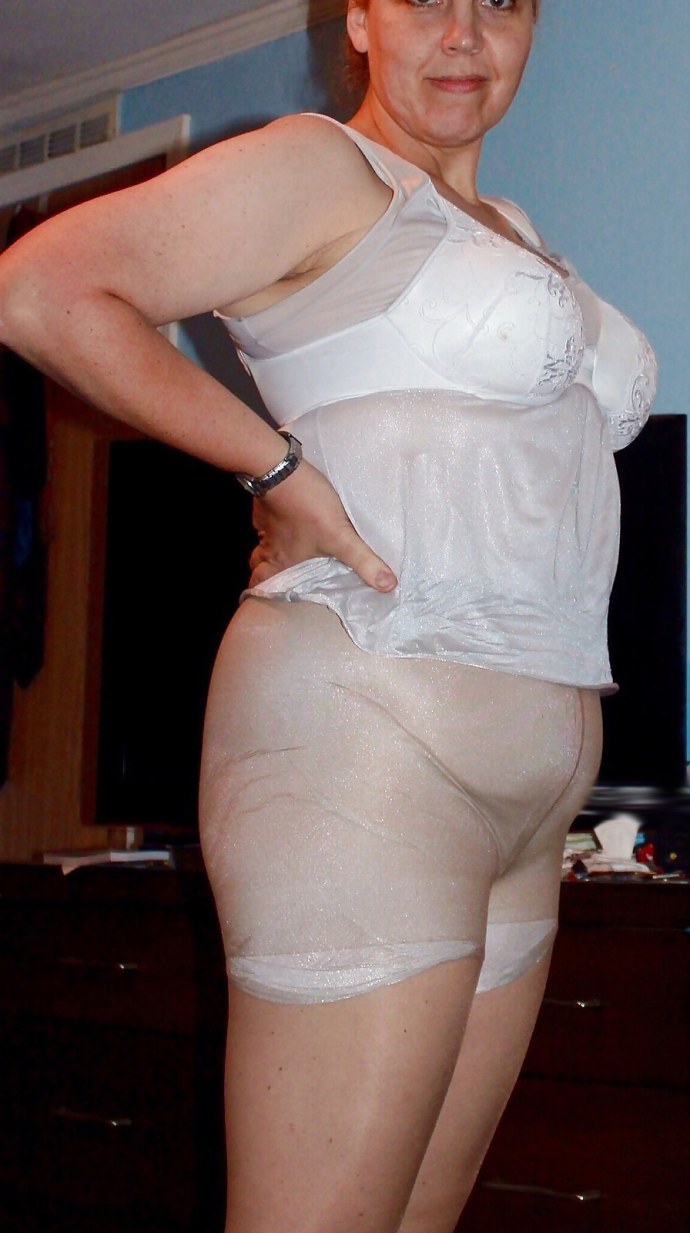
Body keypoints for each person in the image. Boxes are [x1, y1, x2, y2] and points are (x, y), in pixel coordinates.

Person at [0, 2, 657, 1231]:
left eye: (502, 2)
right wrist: (274, 468)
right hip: (367, 748)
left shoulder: (516, 232)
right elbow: (37, 290)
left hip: (527, 806)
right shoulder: (323, 168)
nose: (464, 35)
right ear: (358, 17)